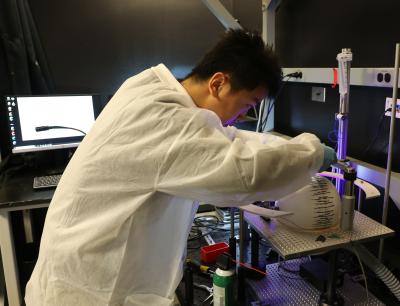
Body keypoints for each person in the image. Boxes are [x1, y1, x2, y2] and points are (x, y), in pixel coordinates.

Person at [25, 29, 336, 306]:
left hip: (89, 273)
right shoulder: (167, 121)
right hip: (90, 291)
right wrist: (311, 155)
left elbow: (226, 136)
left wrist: (293, 148)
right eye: (247, 105)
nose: (244, 116)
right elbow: (242, 176)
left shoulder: (150, 89)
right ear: (218, 83)